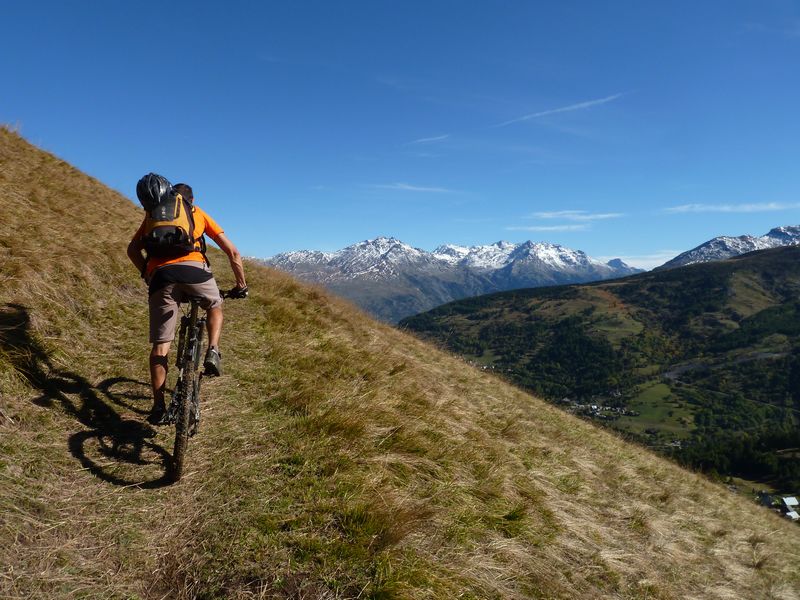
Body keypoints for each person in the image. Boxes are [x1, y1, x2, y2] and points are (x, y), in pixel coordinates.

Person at [127, 177, 248, 424]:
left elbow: (132, 249)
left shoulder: (153, 214)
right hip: (194, 271)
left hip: (162, 278)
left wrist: (148, 274)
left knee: (161, 347)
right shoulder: (195, 212)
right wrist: (241, 286)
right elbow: (233, 252)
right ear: (189, 200)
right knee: (215, 305)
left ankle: (159, 407)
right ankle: (213, 350)